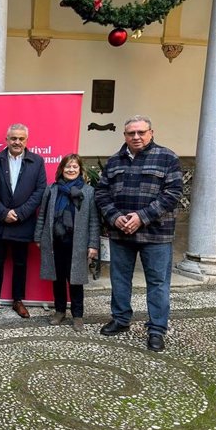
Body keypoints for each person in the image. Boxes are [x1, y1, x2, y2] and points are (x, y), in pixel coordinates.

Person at [95, 115, 182, 351]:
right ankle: (121, 319)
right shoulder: (114, 162)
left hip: (156, 235)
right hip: (121, 233)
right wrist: (115, 217)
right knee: (120, 279)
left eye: (141, 132)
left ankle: (156, 329)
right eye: (131, 133)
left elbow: (173, 194)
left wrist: (141, 217)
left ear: (151, 133)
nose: (136, 137)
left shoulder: (167, 158)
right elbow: (101, 194)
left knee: (158, 282)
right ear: (124, 135)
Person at [34, 154, 100, 331]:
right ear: (61, 169)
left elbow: (94, 220)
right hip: (55, 241)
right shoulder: (52, 189)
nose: (71, 170)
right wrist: (39, 236)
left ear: (80, 170)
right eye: (67, 167)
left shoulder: (88, 192)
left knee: (76, 280)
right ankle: (60, 311)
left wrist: (93, 244)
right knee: (58, 279)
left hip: (77, 244)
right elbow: (43, 214)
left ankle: (77, 315)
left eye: (74, 167)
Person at [0, 123, 46, 318]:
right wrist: (3, 212)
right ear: (7, 139)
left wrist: (20, 213)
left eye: (21, 138)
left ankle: (18, 300)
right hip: (0, 221)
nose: (17, 142)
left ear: (26, 141)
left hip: (24, 222)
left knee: (21, 264)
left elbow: (39, 191)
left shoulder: (37, 161)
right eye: (13, 138)